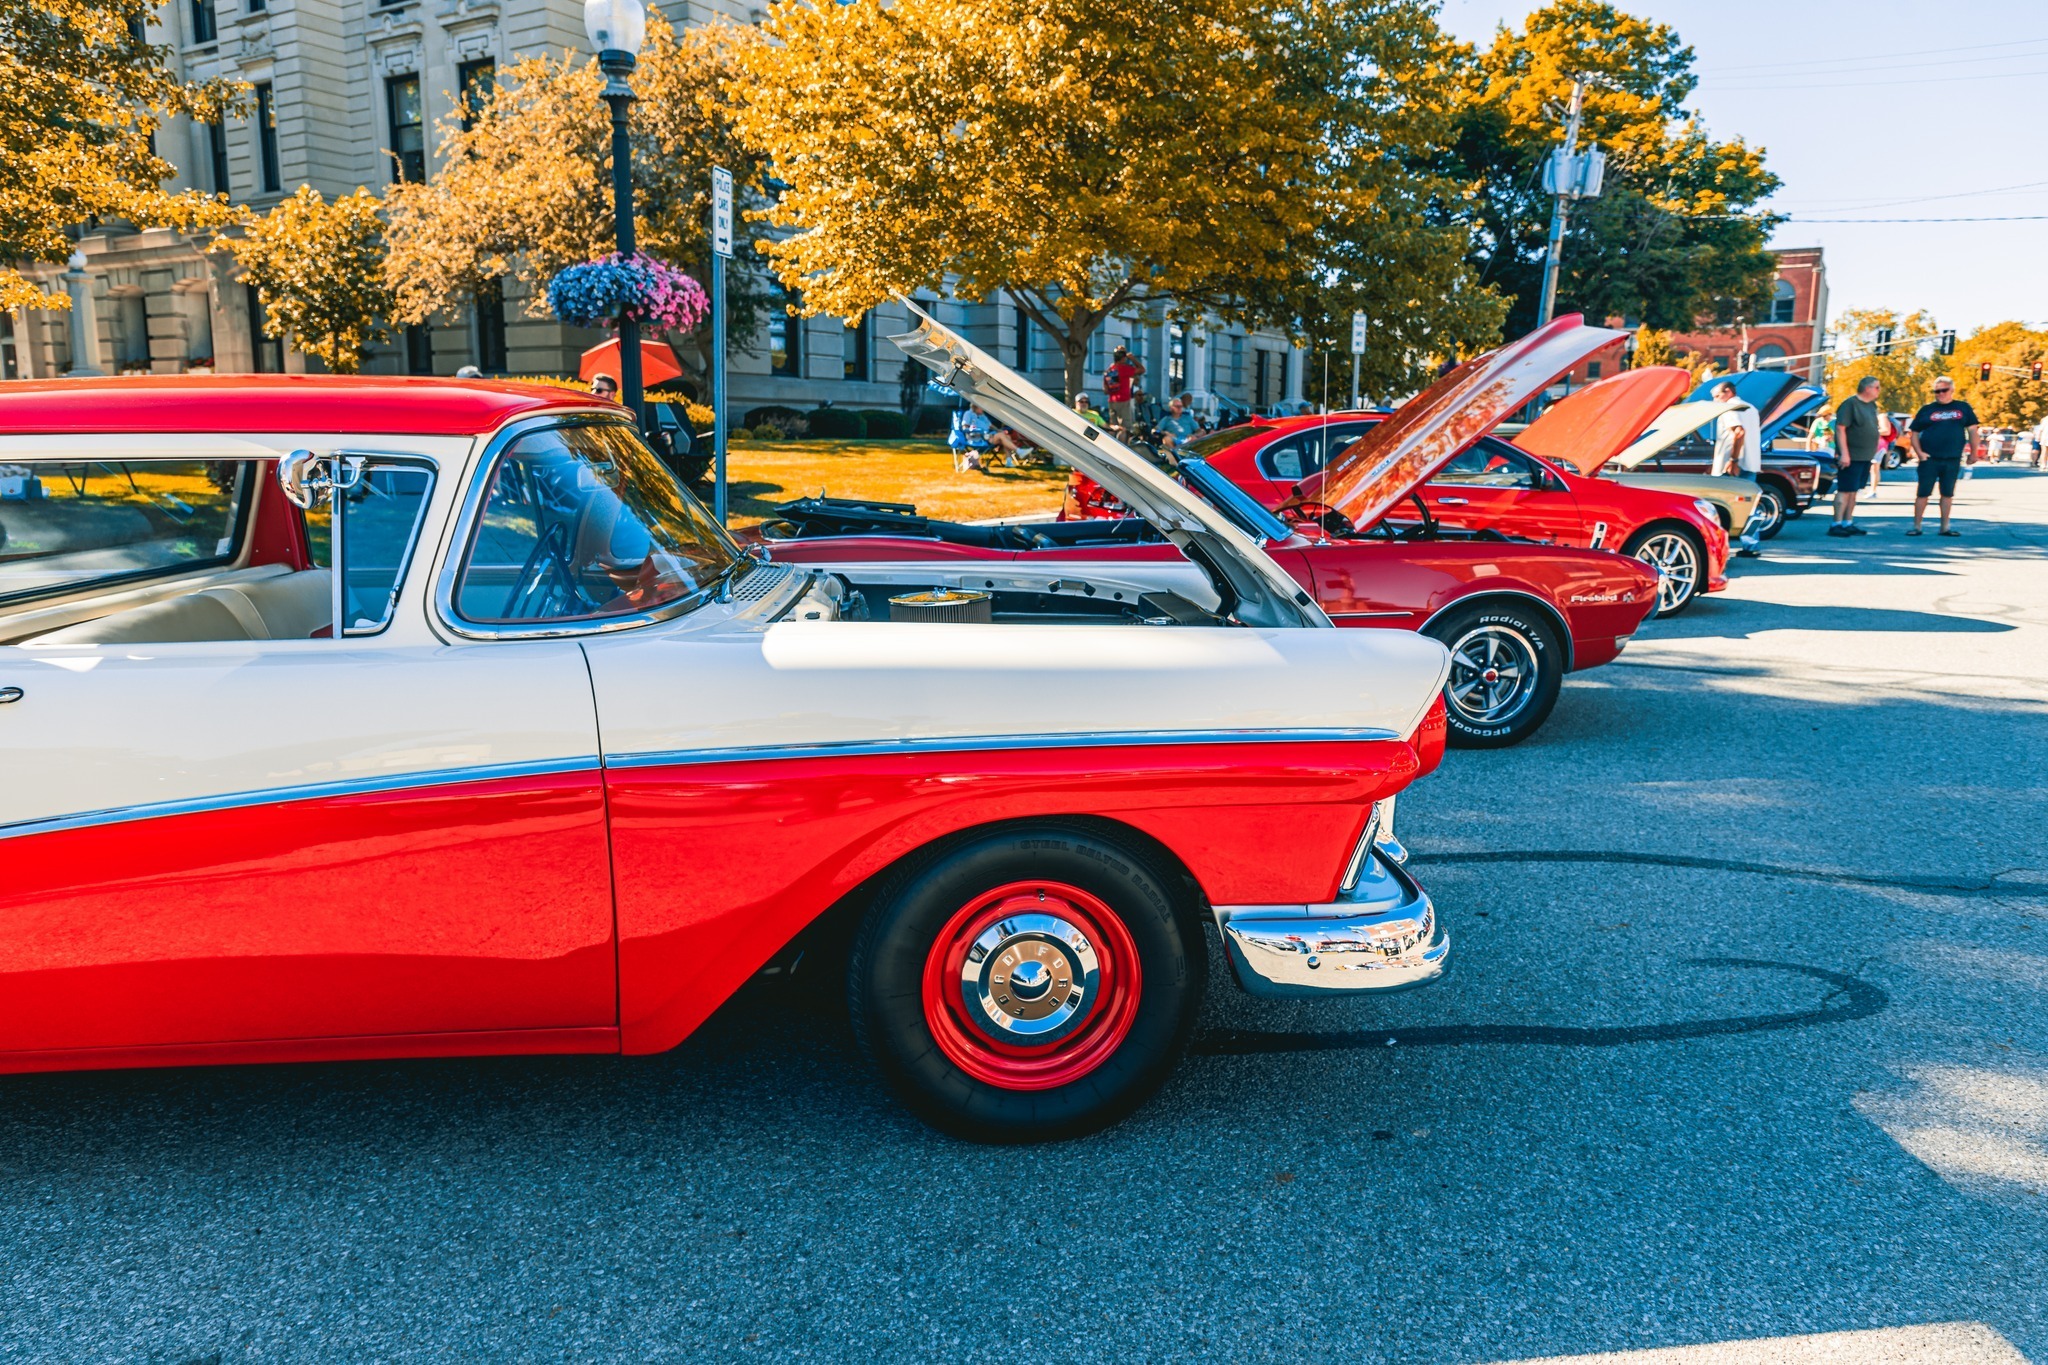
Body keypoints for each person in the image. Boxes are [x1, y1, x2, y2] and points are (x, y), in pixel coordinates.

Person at [1907, 378, 1979, 536]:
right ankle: (1917, 526)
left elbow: (1973, 431)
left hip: (1952, 458)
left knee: (1947, 493)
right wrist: (1920, 453)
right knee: (1923, 493)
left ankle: (1945, 527)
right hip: (1929, 459)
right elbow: (1914, 433)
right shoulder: (1927, 410)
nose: (1940, 394)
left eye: (1943, 390)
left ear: (1952, 390)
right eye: (1936, 391)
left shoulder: (1963, 408)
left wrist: (1974, 452)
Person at [1711, 380, 1766, 557]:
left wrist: (1733, 460)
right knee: (1749, 507)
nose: (1715, 401)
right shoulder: (1751, 408)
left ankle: (1720, 549)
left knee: (1721, 506)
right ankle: (1751, 544)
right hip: (1750, 462)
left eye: (1717, 396)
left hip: (1731, 465)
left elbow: (1739, 432)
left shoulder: (1729, 408)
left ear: (1728, 392)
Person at [1829, 376, 1882, 536]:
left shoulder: (1871, 405)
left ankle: (1848, 522)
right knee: (1845, 489)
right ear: (1867, 388)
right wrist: (1844, 453)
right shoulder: (1850, 404)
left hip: (1865, 456)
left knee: (1854, 490)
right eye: (1877, 387)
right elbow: (1840, 428)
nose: (1879, 390)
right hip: (1850, 456)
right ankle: (1836, 523)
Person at [1103, 346, 1144, 435]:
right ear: (1124, 357)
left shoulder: (1109, 370)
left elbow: (1105, 391)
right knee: (1126, 428)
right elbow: (1142, 370)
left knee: (1113, 427)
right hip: (1124, 400)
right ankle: (1123, 446)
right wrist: (1133, 359)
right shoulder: (1124, 368)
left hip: (1112, 401)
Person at [949, 403, 994, 471]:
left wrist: (999, 430)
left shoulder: (982, 416)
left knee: (1002, 436)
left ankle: (1011, 457)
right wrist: (976, 430)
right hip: (973, 439)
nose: (984, 409)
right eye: (981, 407)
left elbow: (990, 425)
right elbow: (965, 427)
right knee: (1001, 437)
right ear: (976, 407)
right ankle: (1013, 453)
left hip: (985, 438)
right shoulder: (968, 414)